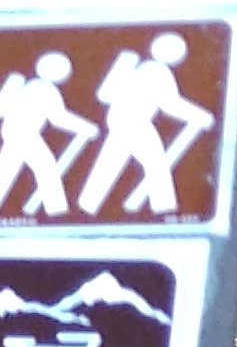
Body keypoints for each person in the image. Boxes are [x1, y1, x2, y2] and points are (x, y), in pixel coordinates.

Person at [80, 29, 215, 217]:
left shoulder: (139, 67)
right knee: (156, 164)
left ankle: (86, 207)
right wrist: (200, 116)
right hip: (135, 123)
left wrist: (199, 116)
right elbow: (169, 104)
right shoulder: (157, 72)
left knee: (111, 162)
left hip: (120, 121)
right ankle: (165, 212)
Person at [0, 49, 96, 218]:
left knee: (7, 168)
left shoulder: (30, 85)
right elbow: (58, 118)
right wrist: (85, 127)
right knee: (46, 168)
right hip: (25, 134)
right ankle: (57, 212)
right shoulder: (46, 90)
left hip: (13, 131)